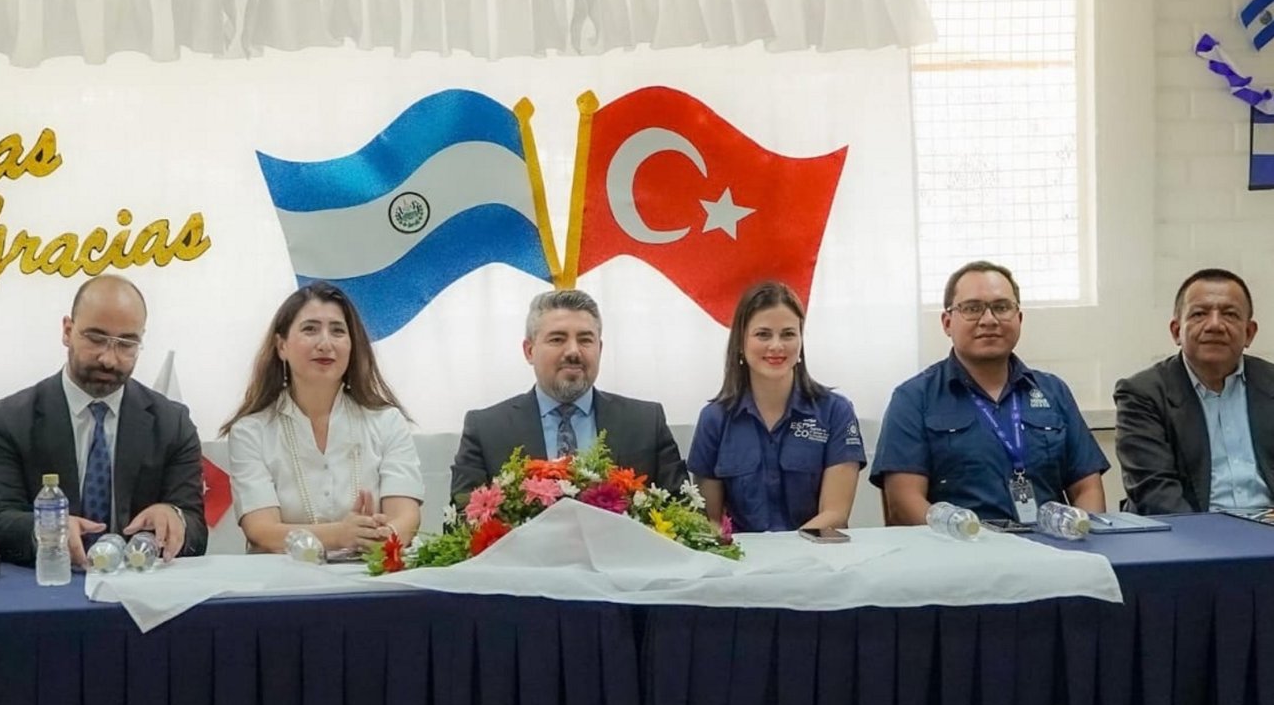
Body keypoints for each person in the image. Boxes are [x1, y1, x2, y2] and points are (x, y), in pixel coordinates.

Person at [0, 276, 207, 566]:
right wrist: (46, 530)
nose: (109, 359)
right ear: (67, 331)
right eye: (96, 338)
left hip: (139, 590)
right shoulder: (8, 420)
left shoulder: (172, 423)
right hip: (45, 587)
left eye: (126, 344)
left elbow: (196, 529)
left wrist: (175, 519)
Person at [871, 260, 1108, 525]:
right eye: (972, 309)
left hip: (1053, 551)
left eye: (1001, 307)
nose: (989, 320)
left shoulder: (1053, 392)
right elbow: (904, 501)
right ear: (947, 322)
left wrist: (1084, 539)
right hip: (959, 555)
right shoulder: (914, 398)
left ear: (1019, 318)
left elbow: (1088, 488)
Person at [222, 281, 423, 554]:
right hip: (282, 587)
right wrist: (340, 535)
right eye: (310, 329)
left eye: (338, 331)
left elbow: (406, 517)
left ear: (352, 346)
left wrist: (383, 536)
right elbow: (261, 531)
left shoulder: (387, 421)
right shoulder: (251, 431)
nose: (325, 343)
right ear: (281, 346)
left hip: (369, 580)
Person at [449, 289, 686, 501]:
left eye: (585, 340)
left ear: (600, 349)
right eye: (557, 339)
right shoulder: (486, 429)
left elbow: (683, 513)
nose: (573, 351)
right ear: (529, 351)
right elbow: (461, 521)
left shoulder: (646, 422)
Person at [688, 282, 864, 531]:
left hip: (814, 559)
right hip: (741, 561)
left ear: (801, 342)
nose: (776, 346)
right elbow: (710, 520)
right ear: (741, 342)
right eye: (763, 334)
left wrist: (786, 556)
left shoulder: (836, 412)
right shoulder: (713, 419)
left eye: (788, 334)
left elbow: (835, 514)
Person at [1114, 268, 1274, 513]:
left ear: (1249, 332)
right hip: (1188, 536)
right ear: (1177, 331)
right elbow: (1155, 492)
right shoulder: (1142, 394)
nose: (1215, 325)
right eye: (1199, 314)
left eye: (1230, 314)